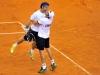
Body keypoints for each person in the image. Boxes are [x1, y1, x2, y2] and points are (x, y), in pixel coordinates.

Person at [35, 2, 57, 73]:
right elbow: (52, 13)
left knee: (41, 51)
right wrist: (47, 14)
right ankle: (53, 63)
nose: (47, 10)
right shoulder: (51, 17)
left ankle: (44, 67)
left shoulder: (43, 20)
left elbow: (36, 23)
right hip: (47, 36)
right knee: (48, 48)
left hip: (41, 37)